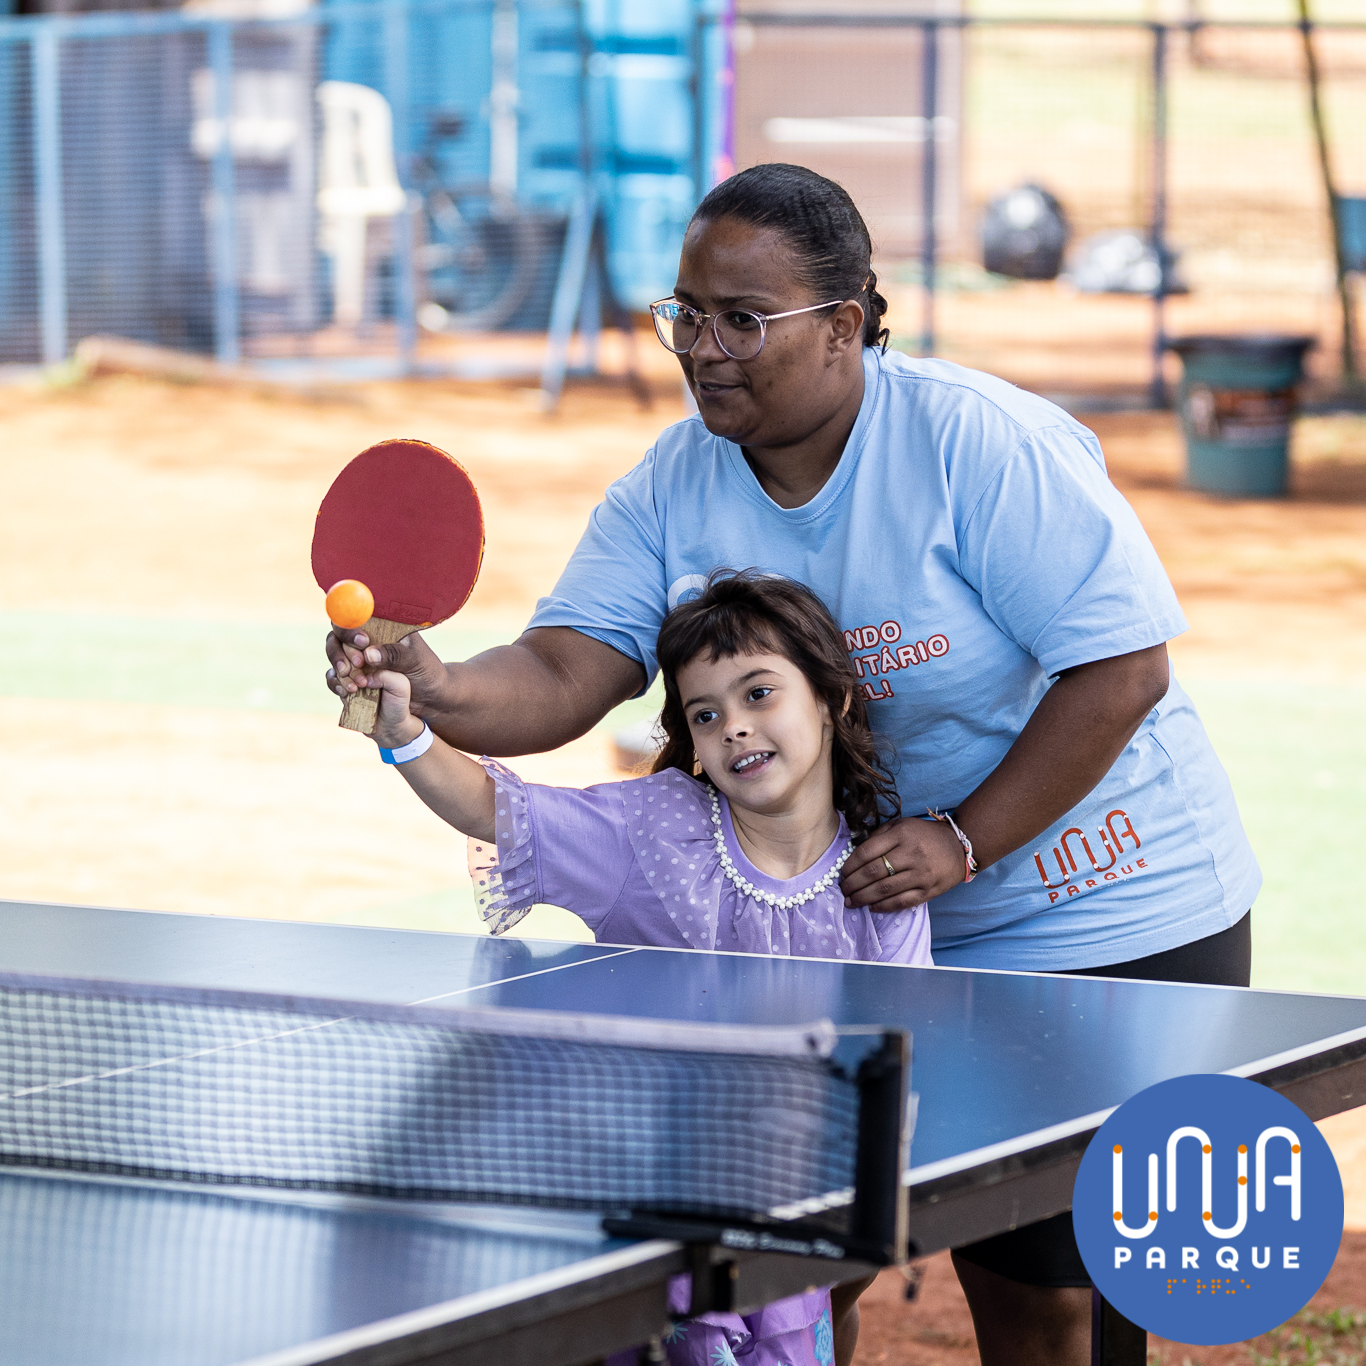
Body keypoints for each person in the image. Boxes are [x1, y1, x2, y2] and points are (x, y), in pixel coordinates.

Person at [327, 163, 1260, 1366]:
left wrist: (963, 838)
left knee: (1043, 1297)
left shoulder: (976, 444)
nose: (702, 348)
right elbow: (565, 668)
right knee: (802, 1262)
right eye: (686, 315)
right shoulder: (672, 482)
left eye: (741, 320)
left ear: (844, 324)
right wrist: (438, 684)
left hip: (1100, 912)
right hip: (854, 924)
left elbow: (1123, 670)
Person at [358, 570, 929, 1366]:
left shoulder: (881, 888)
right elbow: (495, 808)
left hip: (791, 1222)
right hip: (635, 1211)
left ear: (833, 699)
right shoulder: (655, 834)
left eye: (759, 694)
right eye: (705, 713)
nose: (734, 726)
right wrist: (403, 731)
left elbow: (896, 1088)